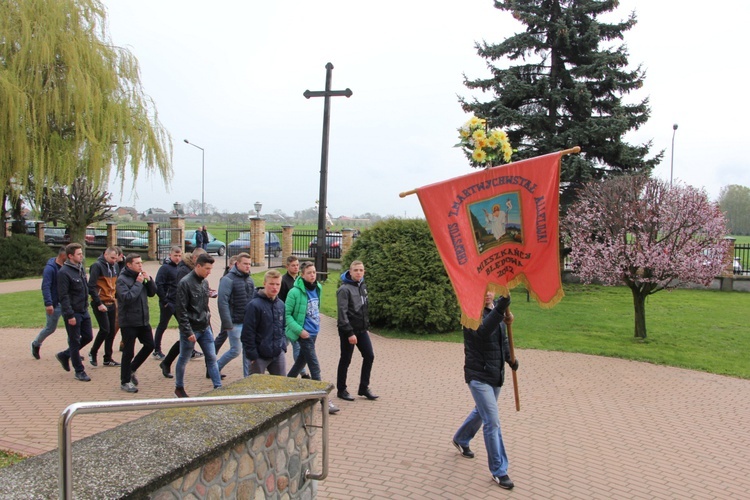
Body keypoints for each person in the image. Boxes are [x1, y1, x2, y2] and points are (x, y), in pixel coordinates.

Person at [452, 291, 518, 490]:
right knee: (492, 421)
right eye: (482, 290)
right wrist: (500, 308)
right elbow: (482, 333)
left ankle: (461, 438)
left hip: (495, 373)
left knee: (482, 413)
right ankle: (499, 470)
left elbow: (502, 340)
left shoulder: (498, 311)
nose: (487, 294)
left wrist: (510, 358)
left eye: (490, 290)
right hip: (478, 375)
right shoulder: (470, 313)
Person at [285, 262, 339, 414]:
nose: (312, 275)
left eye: (314, 272)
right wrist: (300, 331)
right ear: (302, 275)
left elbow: (316, 307)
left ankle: (284, 386)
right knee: (314, 366)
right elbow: (287, 315)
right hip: (304, 334)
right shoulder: (294, 292)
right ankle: (325, 401)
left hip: (314, 332)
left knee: (300, 362)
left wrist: (317, 322)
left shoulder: (318, 288)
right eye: (309, 273)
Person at [174, 252, 222, 398]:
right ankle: (179, 387)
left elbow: (204, 305)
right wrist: (188, 332)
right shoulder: (185, 283)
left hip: (205, 326)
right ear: (198, 266)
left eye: (211, 269)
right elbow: (181, 310)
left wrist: (208, 321)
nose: (209, 272)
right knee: (184, 358)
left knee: (212, 357)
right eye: (207, 269)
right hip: (191, 329)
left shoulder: (204, 282)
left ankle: (218, 387)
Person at [159, 250, 205, 378]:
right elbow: (182, 291)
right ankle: (166, 361)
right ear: (195, 258)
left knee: (200, 341)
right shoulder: (184, 270)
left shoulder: (195, 270)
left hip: (198, 311)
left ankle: (212, 369)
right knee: (188, 338)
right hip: (188, 311)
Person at [336, 261, 378, 401]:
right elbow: (342, 314)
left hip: (361, 330)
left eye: (361, 270)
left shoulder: (362, 286)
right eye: (356, 270)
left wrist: (365, 327)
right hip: (348, 330)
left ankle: (363, 388)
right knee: (346, 359)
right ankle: (341, 390)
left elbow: (364, 308)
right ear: (350, 271)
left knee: (369, 356)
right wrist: (349, 333)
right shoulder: (344, 289)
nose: (358, 272)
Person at [116, 254, 157, 393]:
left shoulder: (140, 276)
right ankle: (125, 381)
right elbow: (127, 298)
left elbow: (152, 293)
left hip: (143, 320)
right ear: (129, 265)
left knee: (150, 345)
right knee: (128, 352)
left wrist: (149, 280)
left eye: (141, 263)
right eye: (137, 263)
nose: (140, 265)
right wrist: (138, 283)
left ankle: (132, 368)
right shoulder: (122, 280)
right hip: (129, 321)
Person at [54, 243, 94, 382]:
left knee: (88, 336)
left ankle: (65, 355)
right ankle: (79, 370)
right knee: (74, 341)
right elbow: (63, 296)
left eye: (81, 253)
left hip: (83, 309)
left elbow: (84, 287)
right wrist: (69, 315)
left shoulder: (80, 268)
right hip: (73, 312)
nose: (81, 256)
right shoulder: (64, 273)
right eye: (78, 254)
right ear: (70, 256)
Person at [241, 270, 286, 376]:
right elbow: (248, 332)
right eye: (271, 284)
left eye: (277, 284)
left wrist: (282, 346)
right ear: (264, 283)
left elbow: (283, 327)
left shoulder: (281, 305)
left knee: (281, 386)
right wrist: (252, 355)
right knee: (256, 389)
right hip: (259, 355)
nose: (274, 287)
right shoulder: (254, 305)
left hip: (277, 353)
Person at [216, 252, 254, 377]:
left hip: (247, 322)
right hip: (234, 322)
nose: (248, 266)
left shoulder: (249, 279)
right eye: (245, 264)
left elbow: (252, 300)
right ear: (237, 264)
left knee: (247, 352)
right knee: (235, 350)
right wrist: (227, 323)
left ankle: (247, 379)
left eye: (249, 264)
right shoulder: (228, 279)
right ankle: (215, 368)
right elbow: (222, 302)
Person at [87, 247, 121, 367]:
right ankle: (93, 352)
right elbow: (91, 286)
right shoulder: (97, 266)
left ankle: (108, 358)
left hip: (111, 301)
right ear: (105, 255)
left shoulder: (115, 266)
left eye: (116, 259)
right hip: (100, 302)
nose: (114, 261)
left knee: (111, 331)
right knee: (105, 329)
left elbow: (115, 284)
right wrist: (98, 303)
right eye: (112, 258)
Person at [31, 246, 66, 359]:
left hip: (66, 303)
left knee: (73, 328)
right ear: (62, 255)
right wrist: (48, 303)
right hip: (55, 303)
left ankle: (73, 352)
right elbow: (45, 286)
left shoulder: (68, 266)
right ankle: (36, 343)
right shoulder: (50, 269)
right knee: (50, 328)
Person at [279, 255, 308, 379]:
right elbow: (280, 301)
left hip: (297, 321)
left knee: (295, 347)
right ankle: (302, 372)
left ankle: (302, 372)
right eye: (293, 265)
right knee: (281, 346)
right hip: (287, 321)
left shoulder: (299, 280)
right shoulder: (284, 281)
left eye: (297, 265)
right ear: (287, 266)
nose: (296, 267)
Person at [153, 246, 183, 359]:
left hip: (178, 302)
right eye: (175, 255)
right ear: (170, 255)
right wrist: (164, 301)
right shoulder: (165, 268)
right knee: (162, 325)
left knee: (184, 325)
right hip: (168, 302)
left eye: (180, 255)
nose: (178, 258)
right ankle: (157, 350)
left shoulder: (180, 268)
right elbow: (158, 284)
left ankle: (189, 349)